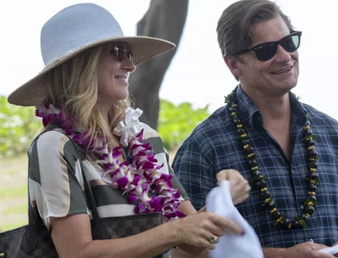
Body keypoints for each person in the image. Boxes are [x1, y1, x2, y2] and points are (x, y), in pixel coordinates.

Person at [7, 3, 250, 258]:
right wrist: (175, 232)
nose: (130, 66)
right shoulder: (55, 146)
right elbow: (77, 253)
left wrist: (222, 200)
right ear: (80, 63)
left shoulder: (147, 139)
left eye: (129, 54)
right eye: (117, 52)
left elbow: (193, 242)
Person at [172, 0, 338, 257]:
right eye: (266, 50)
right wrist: (283, 256)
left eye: (289, 42)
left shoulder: (329, 131)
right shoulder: (204, 146)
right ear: (233, 64)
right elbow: (186, 251)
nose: (284, 56)